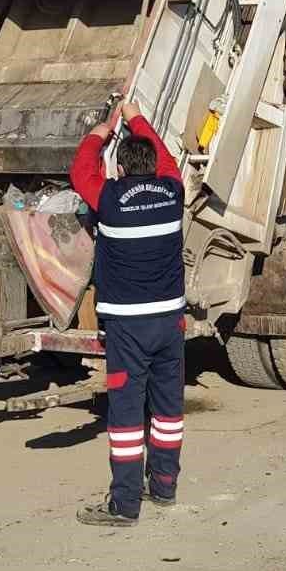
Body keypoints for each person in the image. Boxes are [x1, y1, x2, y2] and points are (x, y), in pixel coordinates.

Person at [69, 101, 186, 528]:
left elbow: (81, 169)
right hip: (170, 325)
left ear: (119, 169)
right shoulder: (174, 192)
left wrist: (103, 127)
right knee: (168, 407)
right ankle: (165, 486)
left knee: (125, 413)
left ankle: (124, 504)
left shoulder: (110, 198)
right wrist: (136, 116)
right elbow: (166, 157)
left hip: (126, 329)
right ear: (155, 166)